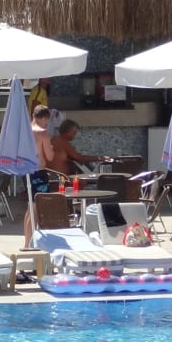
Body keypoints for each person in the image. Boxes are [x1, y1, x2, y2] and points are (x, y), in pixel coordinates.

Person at [22, 104, 57, 247]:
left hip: (26, 171)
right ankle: (30, 244)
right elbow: (49, 157)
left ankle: (27, 242)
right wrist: (51, 149)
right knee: (36, 208)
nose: (46, 124)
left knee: (30, 208)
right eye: (47, 122)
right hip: (38, 172)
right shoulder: (42, 133)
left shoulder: (24, 131)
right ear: (44, 118)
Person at [44, 120, 111, 177]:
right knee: (83, 181)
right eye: (74, 132)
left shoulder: (53, 140)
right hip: (60, 178)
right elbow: (79, 158)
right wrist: (99, 158)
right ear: (68, 131)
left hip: (51, 176)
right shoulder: (63, 142)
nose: (75, 135)